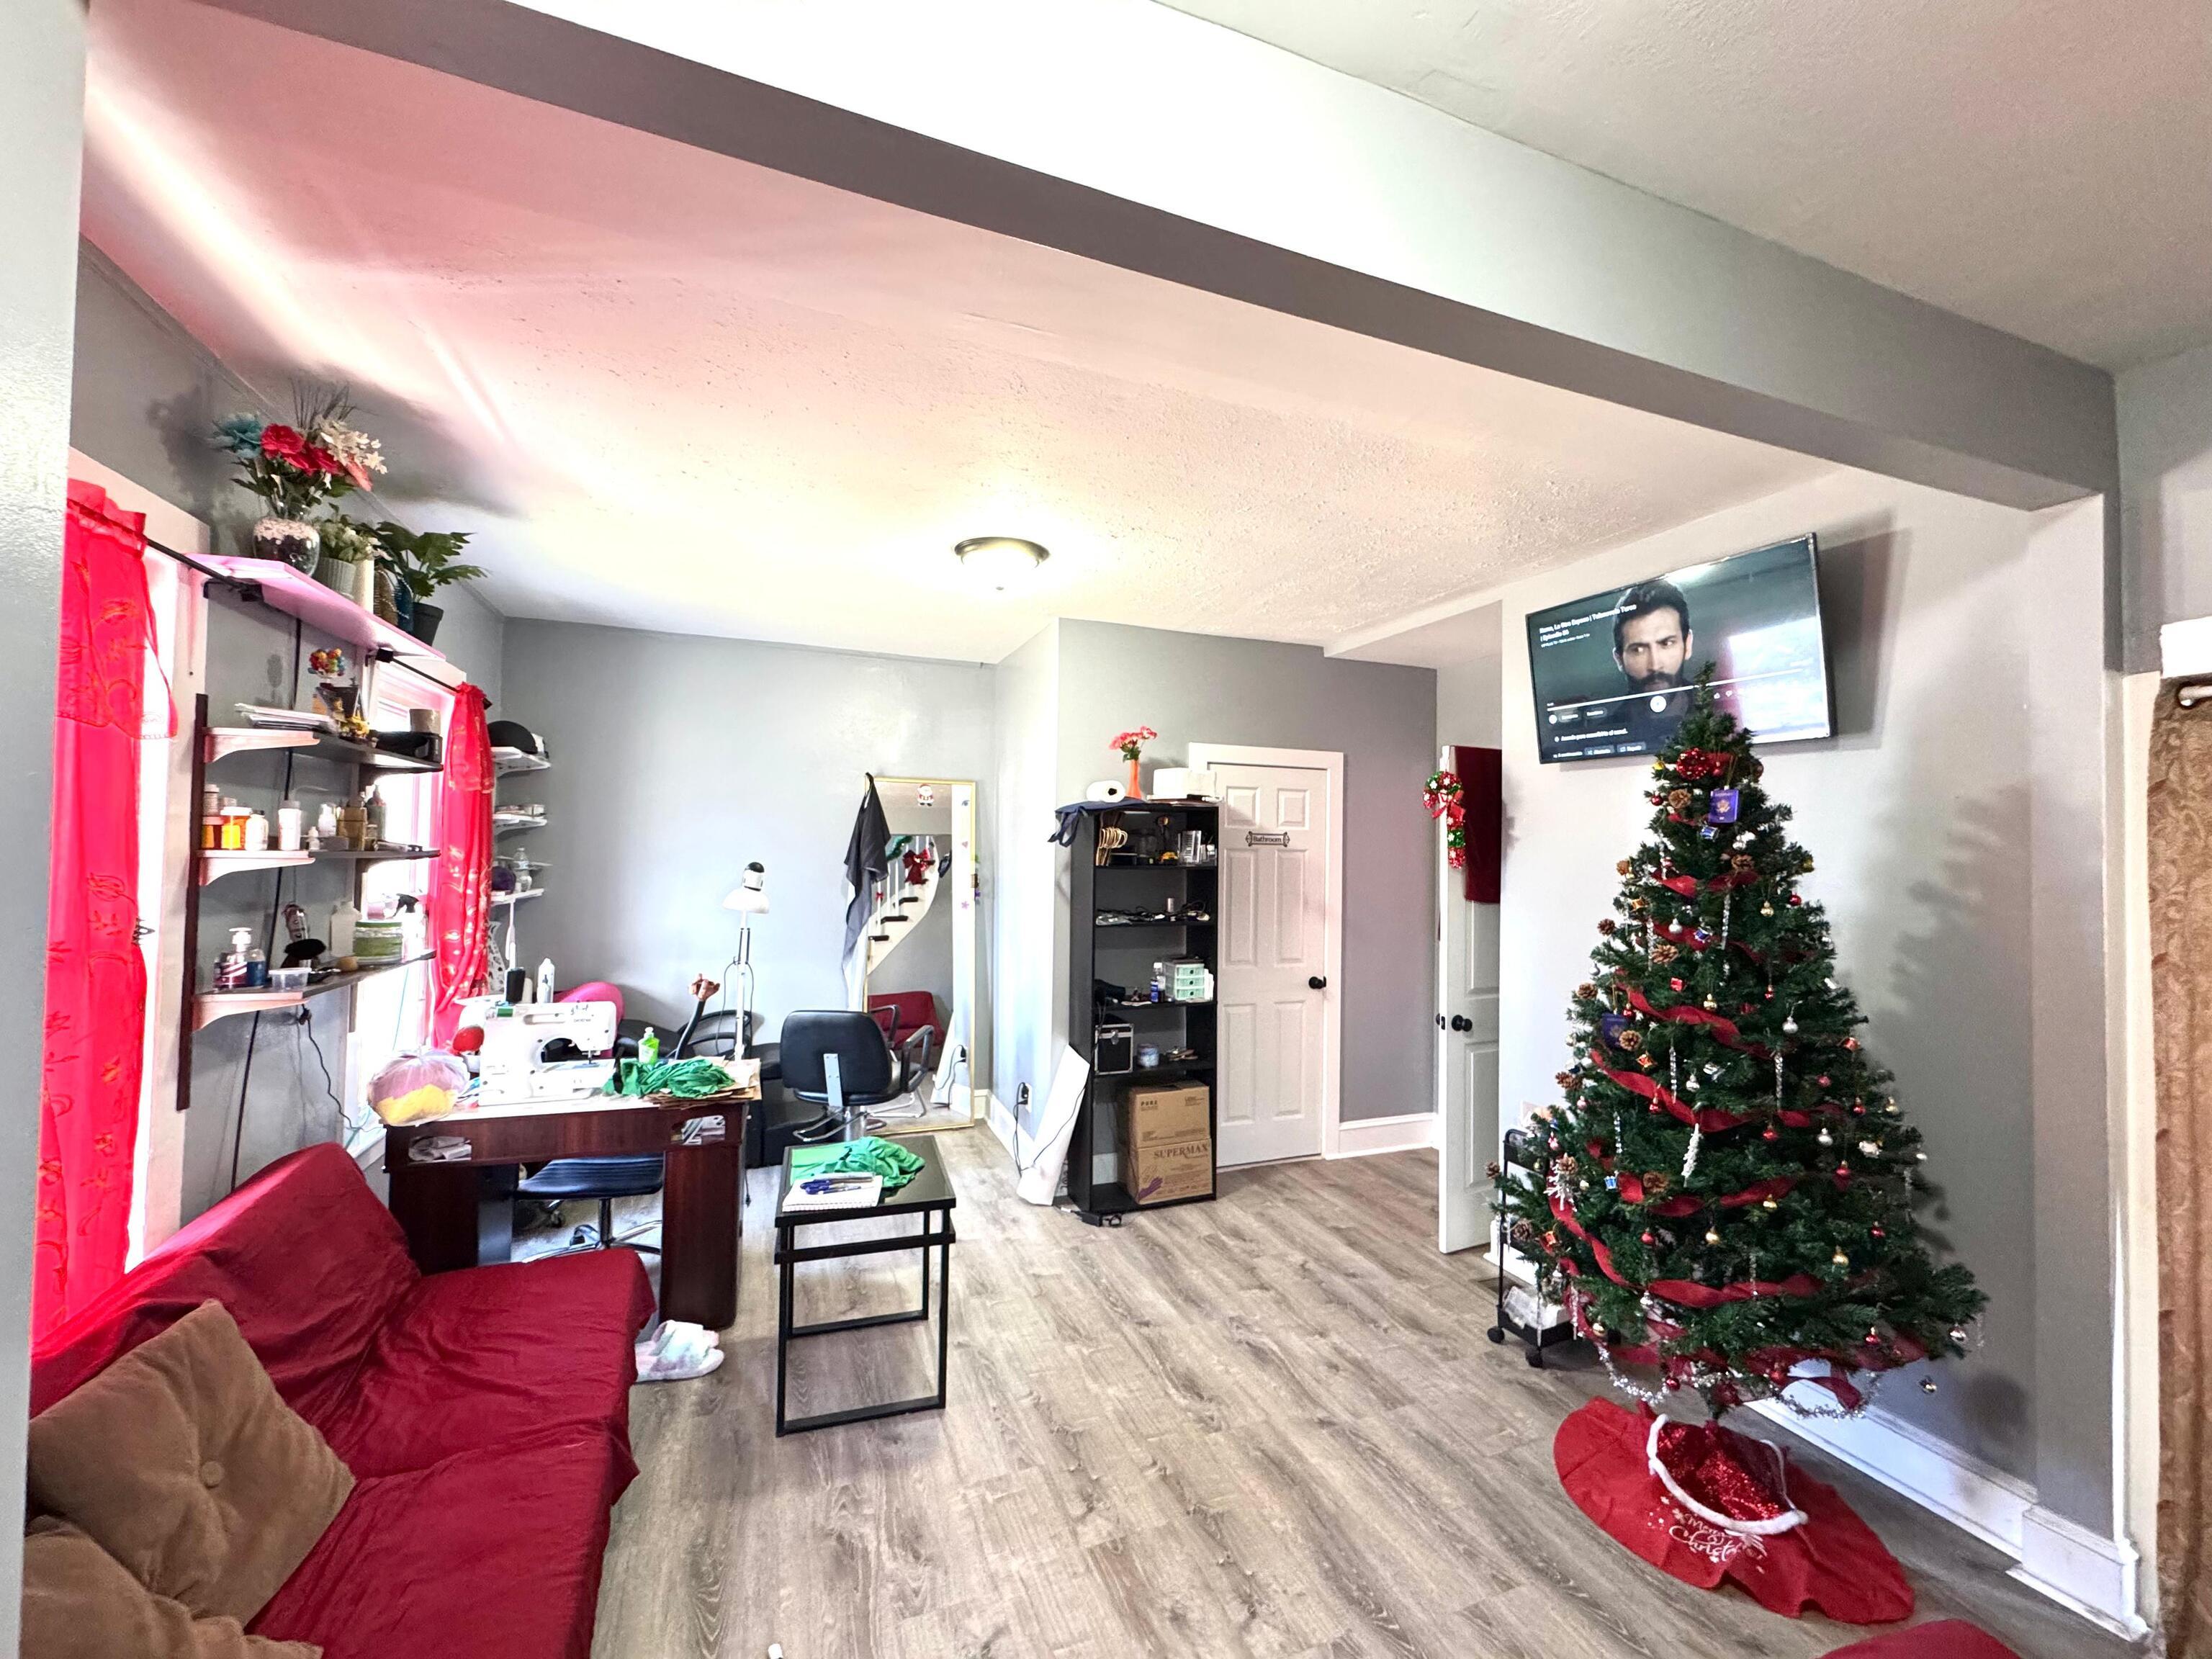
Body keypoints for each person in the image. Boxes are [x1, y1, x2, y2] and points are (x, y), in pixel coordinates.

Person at [1611, 579, 1699, 750]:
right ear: (1619, 659)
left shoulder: (1721, 715)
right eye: (1638, 650)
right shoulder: (1606, 731)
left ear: (1687, 645)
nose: (1655, 665)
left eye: (1666, 643)